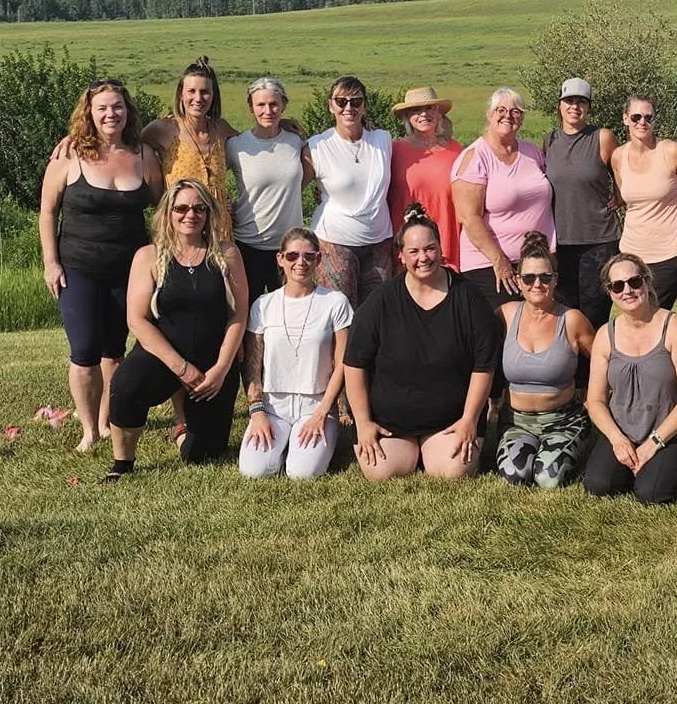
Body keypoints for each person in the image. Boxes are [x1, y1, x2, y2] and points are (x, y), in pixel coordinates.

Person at [38, 80, 162, 452]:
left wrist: (160, 259)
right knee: (84, 350)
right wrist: (50, 262)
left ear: (128, 111)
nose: (111, 114)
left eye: (118, 107)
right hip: (78, 268)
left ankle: (107, 423)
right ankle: (88, 429)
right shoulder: (69, 155)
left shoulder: (144, 154)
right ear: (89, 113)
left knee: (115, 351)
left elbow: (161, 209)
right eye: (103, 108)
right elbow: (47, 212)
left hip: (130, 270)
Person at [103, 179, 249, 479]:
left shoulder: (227, 254)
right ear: (168, 213)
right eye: (181, 208)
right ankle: (123, 462)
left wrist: (221, 368)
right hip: (163, 357)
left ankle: (183, 430)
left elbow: (238, 315)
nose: (190, 215)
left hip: (212, 365)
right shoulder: (148, 256)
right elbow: (138, 320)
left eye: (199, 208)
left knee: (203, 454)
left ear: (209, 213)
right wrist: (180, 368)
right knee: (126, 384)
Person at [343, 208, 503, 481]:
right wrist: (364, 423)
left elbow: (484, 365)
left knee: (452, 472)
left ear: (441, 249)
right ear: (401, 256)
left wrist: (469, 420)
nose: (423, 258)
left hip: (450, 421)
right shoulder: (381, 300)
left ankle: (432, 449)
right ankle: (412, 450)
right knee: (381, 472)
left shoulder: (468, 297)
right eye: (414, 251)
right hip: (391, 423)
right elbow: (354, 363)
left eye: (430, 249)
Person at [584, 252, 677, 506]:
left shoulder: (675, 328)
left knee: (651, 493)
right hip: (624, 431)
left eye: (634, 282)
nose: (627, 290)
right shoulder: (606, 334)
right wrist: (617, 440)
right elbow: (594, 400)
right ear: (610, 292)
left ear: (647, 282)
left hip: (671, 433)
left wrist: (654, 443)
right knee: (599, 485)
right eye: (618, 286)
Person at [238, 228, 349, 481]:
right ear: (280, 259)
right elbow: (253, 366)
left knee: (303, 473)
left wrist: (322, 412)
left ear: (319, 260)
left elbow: (343, 363)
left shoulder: (335, 302)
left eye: (309, 256)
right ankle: (285, 443)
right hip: (273, 406)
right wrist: (257, 412)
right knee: (254, 471)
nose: (301, 263)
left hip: (316, 404)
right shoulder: (264, 305)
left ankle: (308, 443)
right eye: (293, 256)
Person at [495, 234, 597, 489]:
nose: (537, 284)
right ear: (518, 281)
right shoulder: (505, 315)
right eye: (529, 278)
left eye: (545, 277)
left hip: (563, 421)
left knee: (548, 479)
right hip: (516, 422)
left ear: (555, 280)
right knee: (514, 476)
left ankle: (577, 440)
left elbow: (602, 362)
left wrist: (596, 399)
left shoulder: (572, 319)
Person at [451, 89, 554, 304]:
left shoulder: (533, 152)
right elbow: (469, 219)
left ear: (522, 119)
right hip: (489, 267)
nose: (508, 115)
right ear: (489, 114)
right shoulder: (474, 157)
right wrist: (500, 261)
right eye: (500, 110)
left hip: (534, 264)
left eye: (515, 111)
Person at [308, 75, 395, 305]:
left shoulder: (383, 139)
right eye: (341, 101)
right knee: (340, 314)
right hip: (334, 242)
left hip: (379, 242)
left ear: (365, 105)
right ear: (330, 105)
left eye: (356, 102)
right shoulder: (317, 145)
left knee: (376, 316)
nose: (349, 108)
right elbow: (290, 184)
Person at [543, 78, 620, 322]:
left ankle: (597, 360)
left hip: (599, 241)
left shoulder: (602, 137)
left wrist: (618, 197)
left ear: (588, 107)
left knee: (595, 314)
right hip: (561, 242)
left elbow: (621, 173)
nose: (574, 107)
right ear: (559, 105)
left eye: (581, 102)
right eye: (569, 101)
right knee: (564, 314)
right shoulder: (549, 141)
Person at [226, 77, 309, 298]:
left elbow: (310, 174)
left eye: (274, 104)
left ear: (284, 105)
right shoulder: (236, 145)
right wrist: (223, 204)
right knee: (247, 313)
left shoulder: (296, 140)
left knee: (289, 314)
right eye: (260, 105)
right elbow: (210, 176)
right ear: (250, 107)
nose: (268, 111)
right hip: (247, 245)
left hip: (289, 246)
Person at [142, 57, 237, 236]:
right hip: (178, 230)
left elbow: (254, 142)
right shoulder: (163, 130)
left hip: (218, 231)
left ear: (214, 95)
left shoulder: (221, 129)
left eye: (205, 92)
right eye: (191, 91)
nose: (198, 98)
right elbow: (129, 148)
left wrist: (280, 124)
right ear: (181, 94)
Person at [612, 93, 677, 309]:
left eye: (648, 117)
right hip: (630, 253)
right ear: (625, 118)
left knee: (656, 316)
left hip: (667, 254)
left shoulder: (672, 151)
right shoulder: (618, 156)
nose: (642, 122)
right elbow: (621, 198)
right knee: (632, 315)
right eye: (636, 117)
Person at [389, 86, 459, 243]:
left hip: (447, 236)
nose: (423, 114)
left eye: (429, 108)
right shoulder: (395, 151)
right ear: (408, 117)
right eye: (416, 110)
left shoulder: (456, 150)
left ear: (438, 113)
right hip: (407, 241)